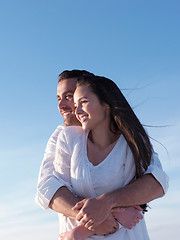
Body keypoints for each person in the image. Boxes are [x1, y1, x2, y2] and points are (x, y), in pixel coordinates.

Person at [35, 70, 168, 239]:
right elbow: (48, 189)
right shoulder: (63, 137)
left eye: (69, 96)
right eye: (59, 98)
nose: (62, 105)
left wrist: (106, 203)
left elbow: (155, 182)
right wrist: (99, 217)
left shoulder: (131, 139)